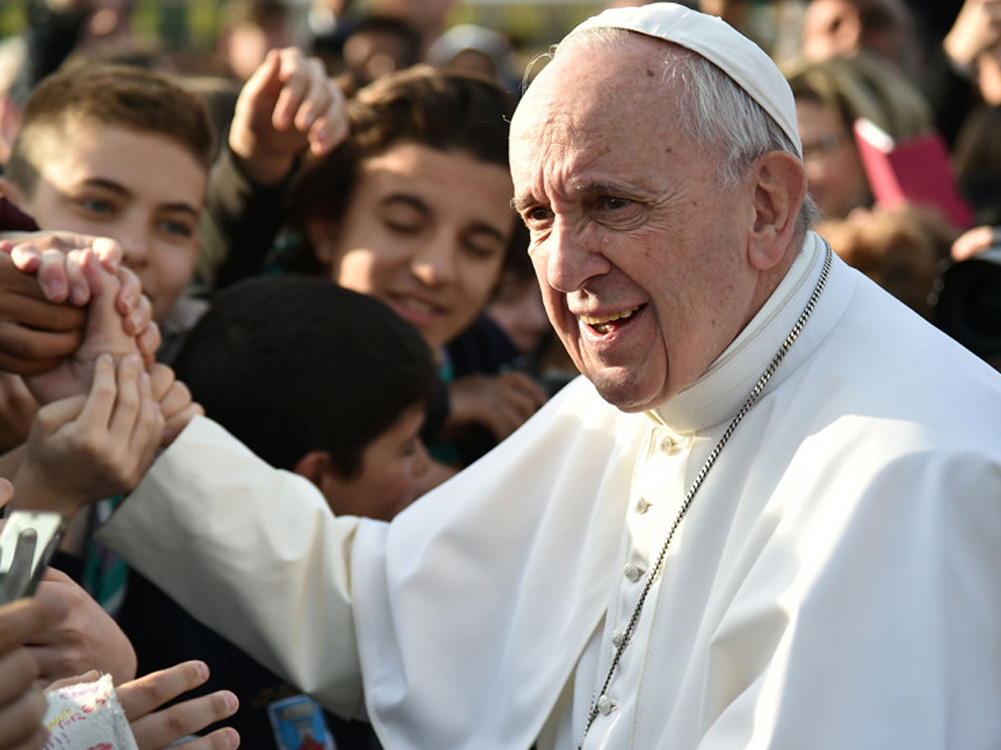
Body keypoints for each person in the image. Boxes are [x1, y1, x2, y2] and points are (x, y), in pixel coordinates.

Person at [24, 3, 1001, 748]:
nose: (563, 272)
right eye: (536, 217)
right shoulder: (658, 380)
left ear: (764, 206)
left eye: (609, 204)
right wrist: (124, 398)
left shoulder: (914, 474)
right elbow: (377, 613)